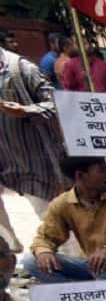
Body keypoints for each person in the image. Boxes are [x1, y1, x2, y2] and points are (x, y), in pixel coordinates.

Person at [24, 155, 106, 282]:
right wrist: (43, 252)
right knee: (30, 261)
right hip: (90, 265)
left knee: (104, 265)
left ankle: (100, 293)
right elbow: (45, 237)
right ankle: (78, 294)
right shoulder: (61, 203)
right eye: (102, 170)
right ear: (80, 176)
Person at [0, 38, 63, 218]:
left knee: (52, 221)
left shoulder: (19, 68)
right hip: (5, 162)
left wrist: (27, 111)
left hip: (31, 164)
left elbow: (57, 103)